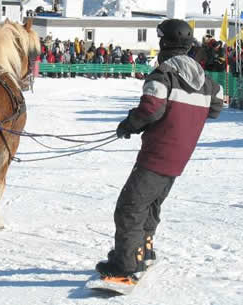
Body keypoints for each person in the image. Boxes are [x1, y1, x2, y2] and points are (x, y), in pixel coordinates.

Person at [95, 19, 224, 283]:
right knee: (150, 204)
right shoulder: (206, 81)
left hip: (157, 154)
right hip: (180, 157)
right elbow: (216, 107)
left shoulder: (163, 75)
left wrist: (130, 123)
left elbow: (152, 108)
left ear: (164, 43)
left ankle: (125, 265)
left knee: (129, 207)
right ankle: (144, 250)